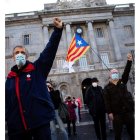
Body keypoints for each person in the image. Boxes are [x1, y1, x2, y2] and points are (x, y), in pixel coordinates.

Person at [5, 17, 63, 140]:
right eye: (17, 53)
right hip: (17, 128)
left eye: (22, 52)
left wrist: (57, 30)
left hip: (40, 124)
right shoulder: (9, 80)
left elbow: (50, 50)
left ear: (26, 56)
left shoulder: (37, 69)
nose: (19, 54)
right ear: (13, 57)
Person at [103, 53, 135, 140]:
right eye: (113, 73)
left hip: (128, 112)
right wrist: (109, 113)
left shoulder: (122, 82)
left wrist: (129, 61)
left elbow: (126, 72)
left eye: (116, 73)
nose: (115, 74)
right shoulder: (107, 88)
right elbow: (107, 101)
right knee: (118, 134)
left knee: (132, 133)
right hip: (116, 114)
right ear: (110, 75)